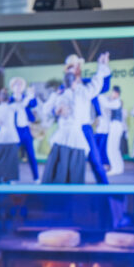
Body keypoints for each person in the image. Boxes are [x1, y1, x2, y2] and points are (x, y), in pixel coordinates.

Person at [41, 53, 111, 184]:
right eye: (70, 67)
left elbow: (102, 85)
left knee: (96, 161)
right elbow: (48, 109)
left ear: (79, 68)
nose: (73, 69)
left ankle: (106, 193)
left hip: (85, 127)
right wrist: (56, 111)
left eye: (75, 66)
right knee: (62, 163)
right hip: (66, 132)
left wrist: (103, 65)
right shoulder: (61, 90)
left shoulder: (86, 86)